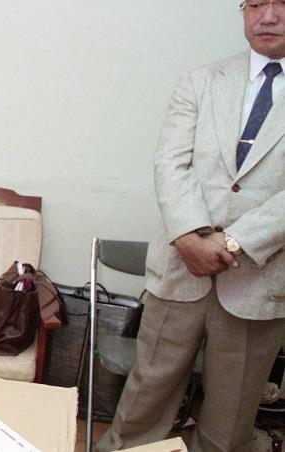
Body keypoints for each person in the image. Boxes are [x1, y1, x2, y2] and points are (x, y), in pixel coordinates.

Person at [97, 2, 285, 451]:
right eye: (256, 3)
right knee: (146, 392)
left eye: (281, 2)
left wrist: (234, 243)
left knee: (231, 414)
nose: (268, 16)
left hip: (258, 277)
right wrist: (188, 236)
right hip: (181, 267)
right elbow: (171, 163)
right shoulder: (200, 81)